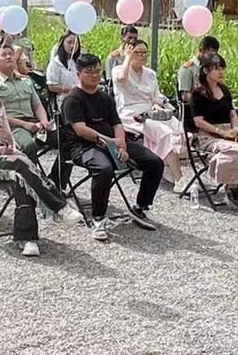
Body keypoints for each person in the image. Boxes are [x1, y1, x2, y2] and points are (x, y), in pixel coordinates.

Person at [0, 59, 79, 256]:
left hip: (6, 156)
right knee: (22, 166)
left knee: (22, 175)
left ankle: (27, 238)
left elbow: (7, 134)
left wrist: (12, 148)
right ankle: (58, 206)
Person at [60, 53, 163, 241]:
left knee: (155, 162)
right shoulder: (72, 99)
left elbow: (117, 124)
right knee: (104, 169)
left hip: (114, 142)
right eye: (89, 72)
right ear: (78, 74)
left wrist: (121, 144)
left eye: (97, 71)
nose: (94, 75)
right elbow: (81, 130)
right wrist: (111, 141)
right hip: (84, 147)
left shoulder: (105, 97)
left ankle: (140, 206)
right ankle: (98, 219)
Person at [188, 56, 238, 203]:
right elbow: (198, 122)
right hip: (208, 136)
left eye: (222, 68)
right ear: (206, 70)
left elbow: (232, 114)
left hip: (228, 132)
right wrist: (221, 132)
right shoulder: (198, 93)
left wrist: (236, 131)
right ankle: (232, 185)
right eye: (217, 69)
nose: (221, 72)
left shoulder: (224, 90)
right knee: (236, 151)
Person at [112, 38, 186, 188]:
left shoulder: (150, 73)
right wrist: (127, 57)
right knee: (165, 133)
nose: (141, 55)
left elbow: (156, 96)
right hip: (132, 113)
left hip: (151, 110)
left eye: (144, 52)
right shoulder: (119, 69)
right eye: (137, 52)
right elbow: (121, 79)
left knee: (178, 127)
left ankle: (166, 164)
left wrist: (157, 105)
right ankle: (179, 179)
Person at [0, 43, 50, 153]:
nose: (8, 57)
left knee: (64, 138)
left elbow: (37, 105)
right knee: (29, 146)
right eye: (4, 55)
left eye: (11, 54)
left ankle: (58, 166)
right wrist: (25, 124)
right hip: (13, 127)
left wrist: (44, 120)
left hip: (34, 122)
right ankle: (31, 165)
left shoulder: (26, 81)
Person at [177, 35, 221, 101]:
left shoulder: (210, 68)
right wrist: (203, 103)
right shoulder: (188, 69)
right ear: (201, 50)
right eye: (210, 54)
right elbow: (185, 96)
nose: (211, 58)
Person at [45, 32, 82, 99]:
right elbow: (52, 86)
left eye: (75, 43)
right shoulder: (56, 63)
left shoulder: (79, 61)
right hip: (65, 98)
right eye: (69, 42)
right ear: (62, 43)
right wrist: (73, 89)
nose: (72, 46)